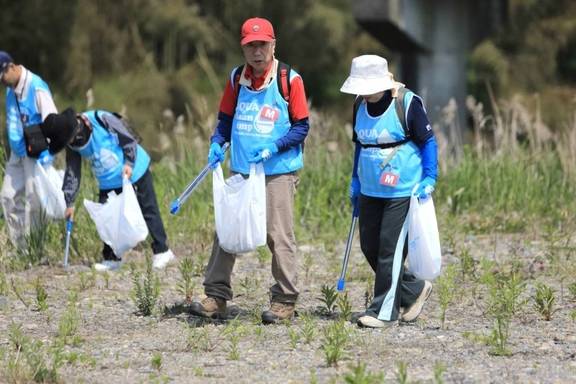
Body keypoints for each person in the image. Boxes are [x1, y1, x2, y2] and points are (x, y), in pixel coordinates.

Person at [190, 17, 310, 324]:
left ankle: (285, 299)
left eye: (262, 45)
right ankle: (216, 296)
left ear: (273, 45)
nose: (257, 52)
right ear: (243, 48)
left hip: (277, 169)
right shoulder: (236, 78)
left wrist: (274, 147)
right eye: (250, 46)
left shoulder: (289, 79)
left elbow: (302, 127)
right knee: (226, 230)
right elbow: (225, 120)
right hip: (242, 168)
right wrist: (217, 142)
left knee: (277, 234)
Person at [340, 55, 437, 328]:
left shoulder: (407, 104)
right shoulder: (359, 104)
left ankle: (383, 312)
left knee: (390, 250)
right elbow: (360, 144)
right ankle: (414, 289)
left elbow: (428, 141)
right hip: (370, 188)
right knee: (370, 246)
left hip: (403, 189)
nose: (364, 92)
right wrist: (355, 180)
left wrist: (430, 177)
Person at [40, 108, 175, 271]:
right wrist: (70, 202)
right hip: (108, 181)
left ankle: (162, 251)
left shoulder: (101, 119)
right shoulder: (71, 143)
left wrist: (129, 163)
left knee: (148, 210)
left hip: (133, 171)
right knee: (107, 219)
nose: (71, 142)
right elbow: (73, 171)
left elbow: (128, 138)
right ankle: (112, 259)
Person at [0, 51, 58, 249]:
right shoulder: (10, 90)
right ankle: (22, 249)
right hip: (18, 153)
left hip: (37, 154)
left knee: (34, 203)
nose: (2, 82)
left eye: (1, 77)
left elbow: (53, 122)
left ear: (11, 66)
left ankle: (36, 249)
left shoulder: (37, 87)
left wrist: (47, 157)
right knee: (7, 197)